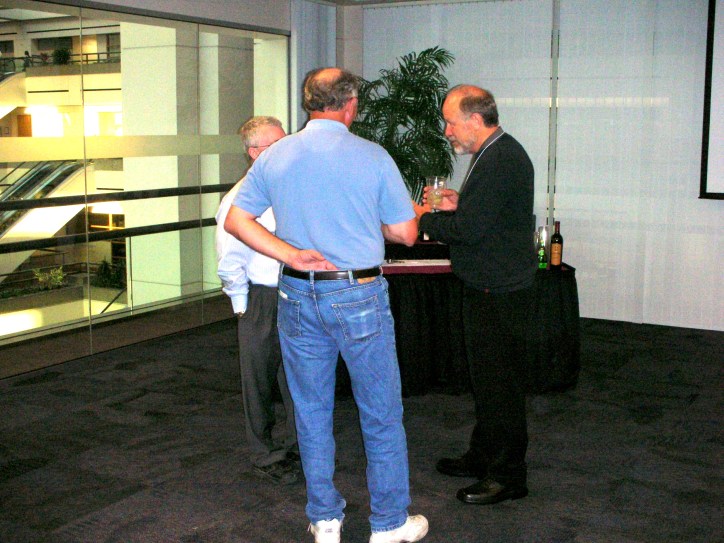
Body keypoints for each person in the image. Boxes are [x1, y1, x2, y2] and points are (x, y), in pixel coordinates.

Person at [225, 68, 428, 543]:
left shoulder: (275, 156)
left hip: (297, 292)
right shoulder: (373, 156)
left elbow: (236, 220)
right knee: (380, 412)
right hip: (358, 294)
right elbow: (405, 234)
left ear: (308, 103)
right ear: (351, 105)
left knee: (310, 410)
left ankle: (325, 519)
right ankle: (389, 523)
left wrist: (290, 254)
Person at [414, 85, 536, 505]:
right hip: (492, 285)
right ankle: (483, 456)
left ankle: (508, 475)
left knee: (500, 386)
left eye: (451, 122)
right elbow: (487, 216)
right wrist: (459, 203)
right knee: (487, 382)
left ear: (475, 120)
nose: (447, 131)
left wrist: (423, 218)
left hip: (499, 291)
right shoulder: (498, 152)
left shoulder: (500, 158)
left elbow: (469, 231)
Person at [215, 116, 300, 485]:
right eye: (276, 145)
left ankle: (299, 445)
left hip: (295, 292)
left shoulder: (288, 189)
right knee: (259, 381)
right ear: (254, 153)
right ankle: (265, 454)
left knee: (297, 377)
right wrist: (242, 306)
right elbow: (229, 260)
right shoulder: (238, 200)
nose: (286, 150)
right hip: (260, 298)